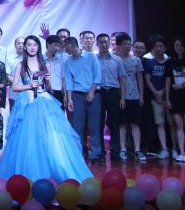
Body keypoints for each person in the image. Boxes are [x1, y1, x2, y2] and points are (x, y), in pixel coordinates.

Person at [0, 36, 91, 182]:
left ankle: (55, 172)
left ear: (39, 47)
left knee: (51, 138)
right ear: (25, 47)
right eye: (29, 45)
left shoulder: (45, 64)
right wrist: (29, 86)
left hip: (44, 101)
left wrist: (48, 80)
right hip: (27, 102)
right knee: (28, 138)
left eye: (35, 45)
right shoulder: (20, 65)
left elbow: (48, 87)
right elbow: (14, 87)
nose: (32, 47)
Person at [63, 37, 102, 160]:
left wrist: (92, 92)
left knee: (94, 126)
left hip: (93, 94)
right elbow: (69, 81)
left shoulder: (91, 57)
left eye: (66, 47)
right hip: (77, 96)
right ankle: (78, 154)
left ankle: (95, 154)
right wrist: (69, 98)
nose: (65, 50)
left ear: (72, 45)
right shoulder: (68, 62)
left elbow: (97, 75)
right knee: (77, 126)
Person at [116, 33, 146, 161]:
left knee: (135, 123)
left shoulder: (136, 60)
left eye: (129, 44)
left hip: (134, 95)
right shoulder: (116, 59)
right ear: (119, 45)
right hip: (119, 96)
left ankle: (137, 150)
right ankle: (123, 149)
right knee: (122, 124)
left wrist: (141, 96)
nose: (127, 46)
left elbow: (140, 78)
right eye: (125, 44)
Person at [95, 33, 125, 161]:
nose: (104, 44)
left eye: (106, 42)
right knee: (99, 123)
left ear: (109, 43)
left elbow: (122, 79)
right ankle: (100, 152)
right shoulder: (94, 59)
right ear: (97, 44)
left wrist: (122, 97)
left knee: (114, 123)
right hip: (99, 93)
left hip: (113, 93)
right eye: (101, 42)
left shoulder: (117, 59)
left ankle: (115, 152)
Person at [166, 39, 185, 163]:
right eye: (177, 45)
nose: (179, 47)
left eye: (181, 45)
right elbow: (168, 81)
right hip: (175, 97)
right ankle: (181, 152)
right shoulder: (170, 62)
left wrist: (184, 85)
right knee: (178, 125)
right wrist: (167, 98)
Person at [142, 34, 171, 159]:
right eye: (156, 46)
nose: (158, 48)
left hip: (169, 98)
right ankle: (164, 149)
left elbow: (170, 80)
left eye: (161, 46)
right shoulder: (149, 62)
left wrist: (163, 92)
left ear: (165, 48)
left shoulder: (169, 62)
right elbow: (147, 80)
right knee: (160, 124)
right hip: (155, 98)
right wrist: (156, 93)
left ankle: (175, 148)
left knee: (172, 124)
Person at [44, 36, 67, 107]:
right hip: (44, 93)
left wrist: (65, 95)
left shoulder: (61, 60)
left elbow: (63, 78)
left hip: (58, 93)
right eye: (55, 45)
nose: (57, 48)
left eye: (59, 46)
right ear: (48, 44)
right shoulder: (40, 60)